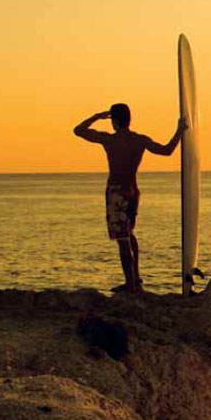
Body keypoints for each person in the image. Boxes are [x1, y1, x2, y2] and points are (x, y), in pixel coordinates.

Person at [74, 104, 186, 294]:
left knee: (123, 239)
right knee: (130, 234)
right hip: (133, 191)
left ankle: (131, 284)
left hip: (117, 192)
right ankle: (136, 280)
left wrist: (96, 116)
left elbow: (78, 130)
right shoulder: (139, 140)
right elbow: (167, 150)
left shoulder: (110, 140)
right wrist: (179, 131)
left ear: (114, 120)